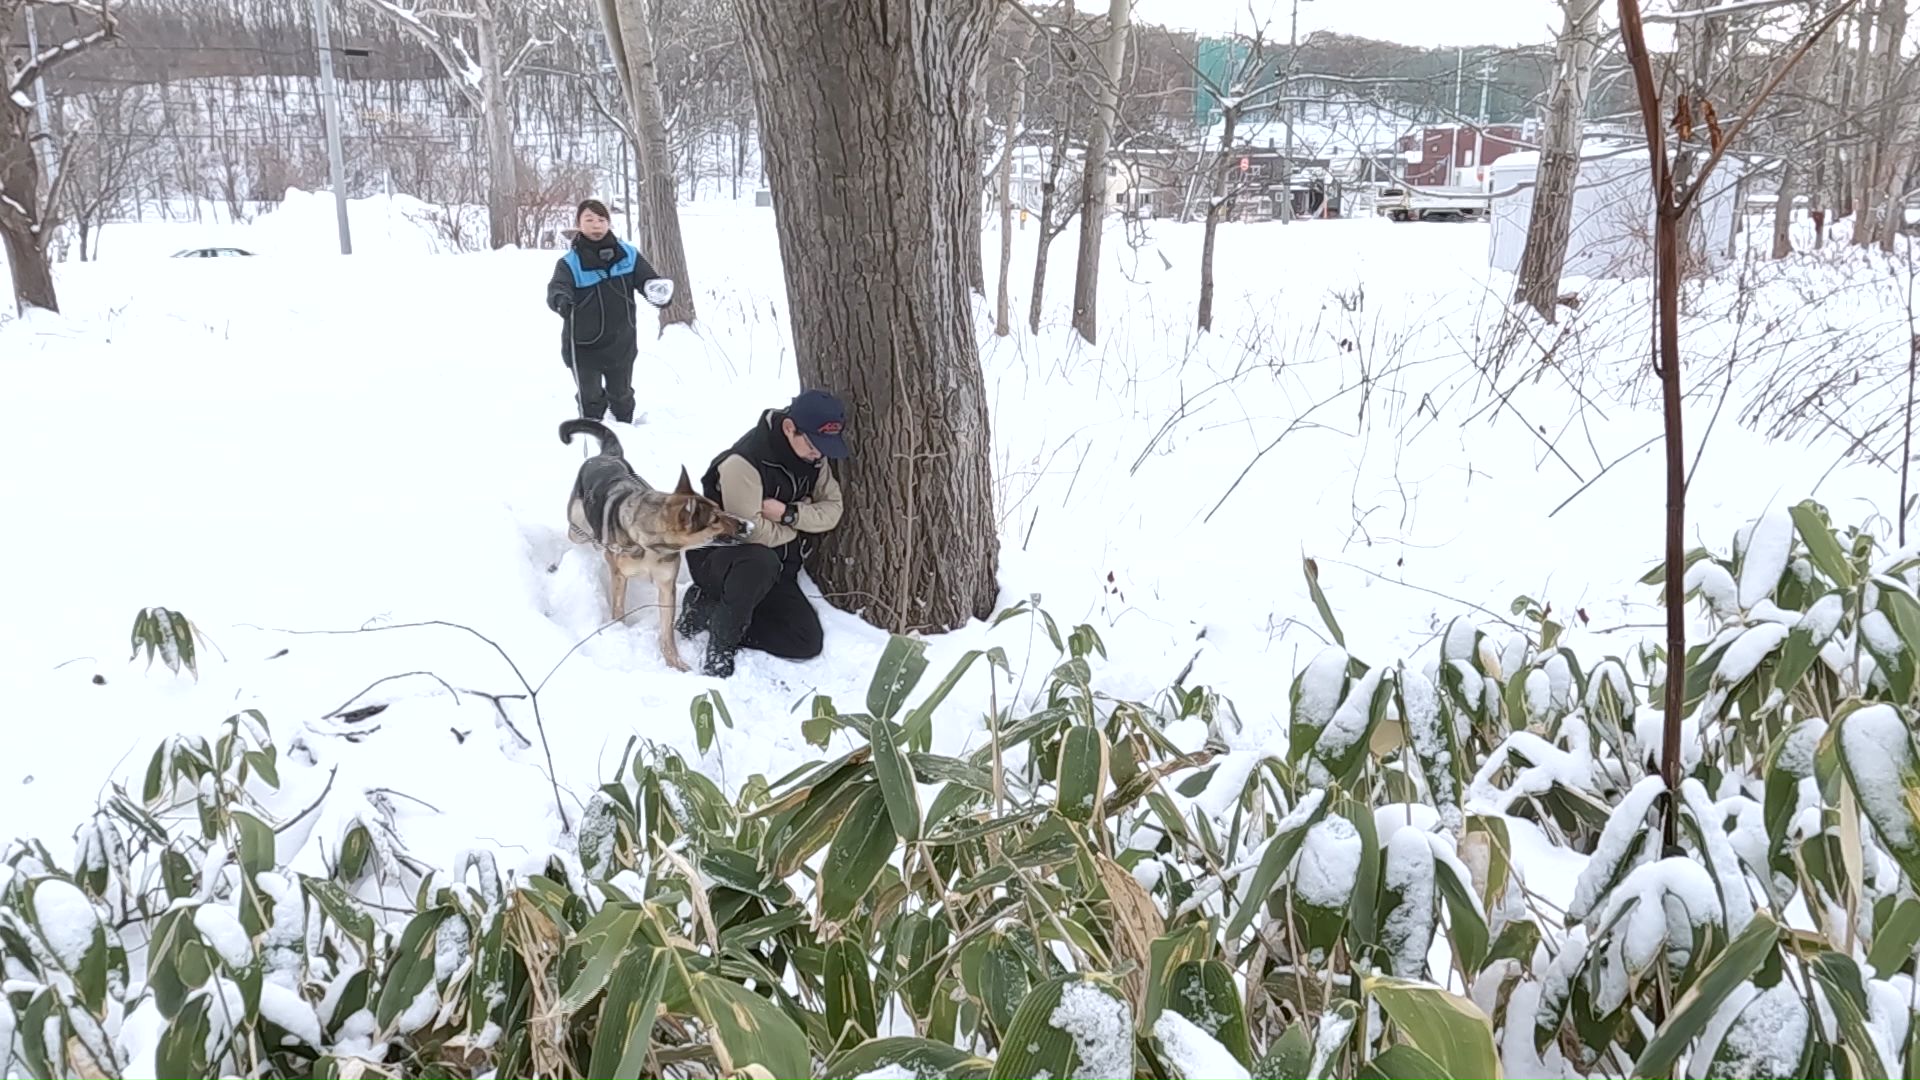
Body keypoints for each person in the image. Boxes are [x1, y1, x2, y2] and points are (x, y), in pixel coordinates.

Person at [679, 390, 849, 677]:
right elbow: (750, 532)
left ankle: (709, 612)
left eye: (824, 446)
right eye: (813, 444)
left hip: (778, 566)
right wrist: (798, 530)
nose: (818, 453)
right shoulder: (743, 463)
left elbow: (833, 510)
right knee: (758, 560)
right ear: (788, 428)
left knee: (805, 641)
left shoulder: (814, 458)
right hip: (722, 562)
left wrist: (789, 514)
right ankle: (721, 645)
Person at [545, 199, 673, 424]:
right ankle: (594, 432)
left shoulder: (628, 256)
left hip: (621, 343)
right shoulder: (570, 263)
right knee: (590, 398)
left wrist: (658, 293)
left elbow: (649, 281)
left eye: (601, 219)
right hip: (583, 347)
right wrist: (560, 300)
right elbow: (557, 288)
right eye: (589, 219)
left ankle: (626, 430)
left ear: (609, 223)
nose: (596, 225)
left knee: (622, 396)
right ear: (578, 224)